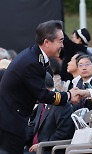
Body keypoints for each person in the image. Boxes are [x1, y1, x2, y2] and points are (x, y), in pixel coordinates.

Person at [0, 20, 79, 154]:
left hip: (12, 119)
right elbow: (43, 95)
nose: (62, 45)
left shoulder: (34, 56)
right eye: (60, 41)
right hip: (10, 123)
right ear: (47, 42)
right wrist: (69, 96)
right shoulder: (32, 62)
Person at [24, 72, 74, 154]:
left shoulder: (62, 104)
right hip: (32, 148)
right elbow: (33, 125)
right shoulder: (42, 101)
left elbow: (63, 133)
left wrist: (41, 145)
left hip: (47, 150)